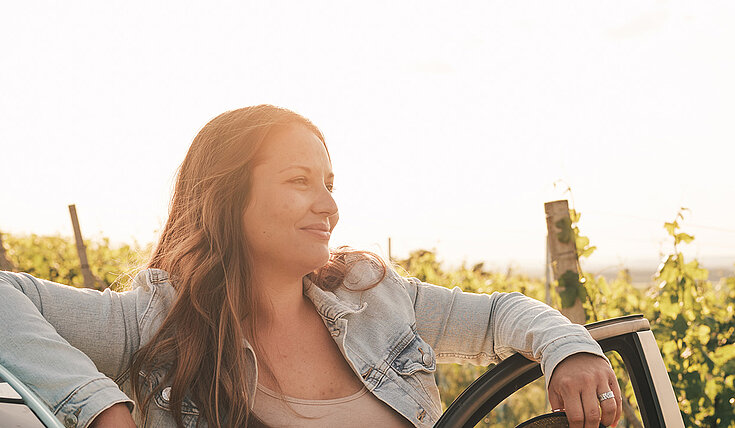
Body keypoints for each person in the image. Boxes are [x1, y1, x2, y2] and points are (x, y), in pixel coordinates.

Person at [0, 105, 622, 428]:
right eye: (300, 182)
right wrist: (101, 411)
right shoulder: (155, 323)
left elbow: (498, 316)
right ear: (227, 196)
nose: (329, 206)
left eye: (329, 183)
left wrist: (569, 349)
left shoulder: (374, 296)